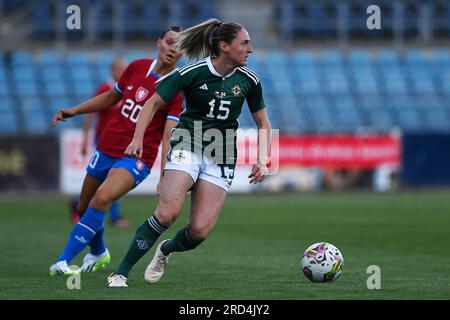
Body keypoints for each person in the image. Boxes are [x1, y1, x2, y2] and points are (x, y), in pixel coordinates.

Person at [107, 18, 272, 287]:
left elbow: (263, 122)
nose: (250, 49)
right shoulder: (192, 73)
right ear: (224, 46)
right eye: (245, 43)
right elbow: (152, 103)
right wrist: (137, 138)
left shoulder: (249, 81)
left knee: (199, 231)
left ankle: (165, 250)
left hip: (221, 153)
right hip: (188, 143)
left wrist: (262, 159)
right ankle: (120, 272)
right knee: (167, 213)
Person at [49, 26, 184, 276]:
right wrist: (75, 110)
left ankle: (63, 261)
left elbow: (168, 135)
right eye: (169, 42)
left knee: (102, 199)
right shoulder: (136, 67)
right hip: (107, 146)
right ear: (159, 42)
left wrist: (165, 177)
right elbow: (112, 97)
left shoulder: (176, 88)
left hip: (136, 158)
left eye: (178, 46)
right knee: (83, 207)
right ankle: (99, 252)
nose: (172, 49)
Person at [69, 57, 131, 228]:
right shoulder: (105, 88)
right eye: (121, 69)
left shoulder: (127, 89)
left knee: (110, 179)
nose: (123, 72)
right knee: (112, 177)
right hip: (104, 141)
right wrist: (84, 140)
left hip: (120, 142)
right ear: (113, 70)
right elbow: (90, 114)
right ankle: (114, 217)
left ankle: (78, 204)